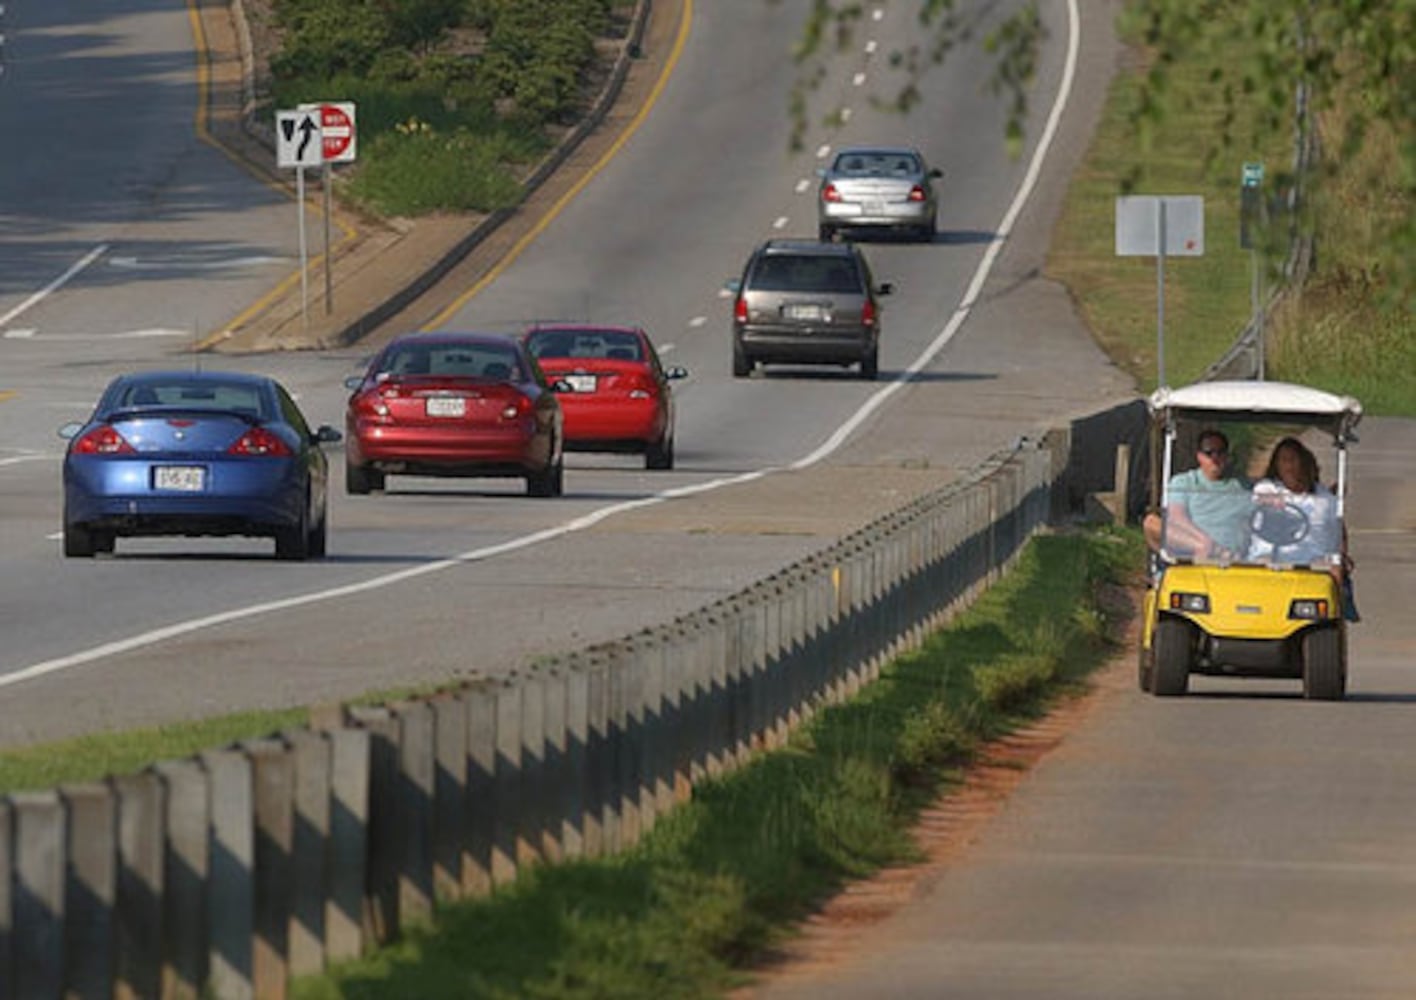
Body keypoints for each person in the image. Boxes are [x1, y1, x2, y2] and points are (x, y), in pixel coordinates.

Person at [1249, 436, 1360, 620]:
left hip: (1310, 559)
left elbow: (1338, 528)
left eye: (1293, 460)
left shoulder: (1323, 497)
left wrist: (1341, 555)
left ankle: (1332, 623)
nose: (1289, 467)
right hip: (1271, 554)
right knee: (1263, 564)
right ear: (1276, 465)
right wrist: (1274, 503)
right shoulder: (1268, 487)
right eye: (1284, 461)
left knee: (1335, 569)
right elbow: (1260, 500)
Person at [1144, 429, 1253, 560]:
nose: (1215, 458)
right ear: (1199, 456)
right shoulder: (1184, 482)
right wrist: (1205, 543)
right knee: (1151, 522)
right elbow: (1176, 517)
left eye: (1220, 452)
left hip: (1231, 558)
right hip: (1191, 551)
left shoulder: (1244, 486)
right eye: (1209, 453)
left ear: (1227, 455)